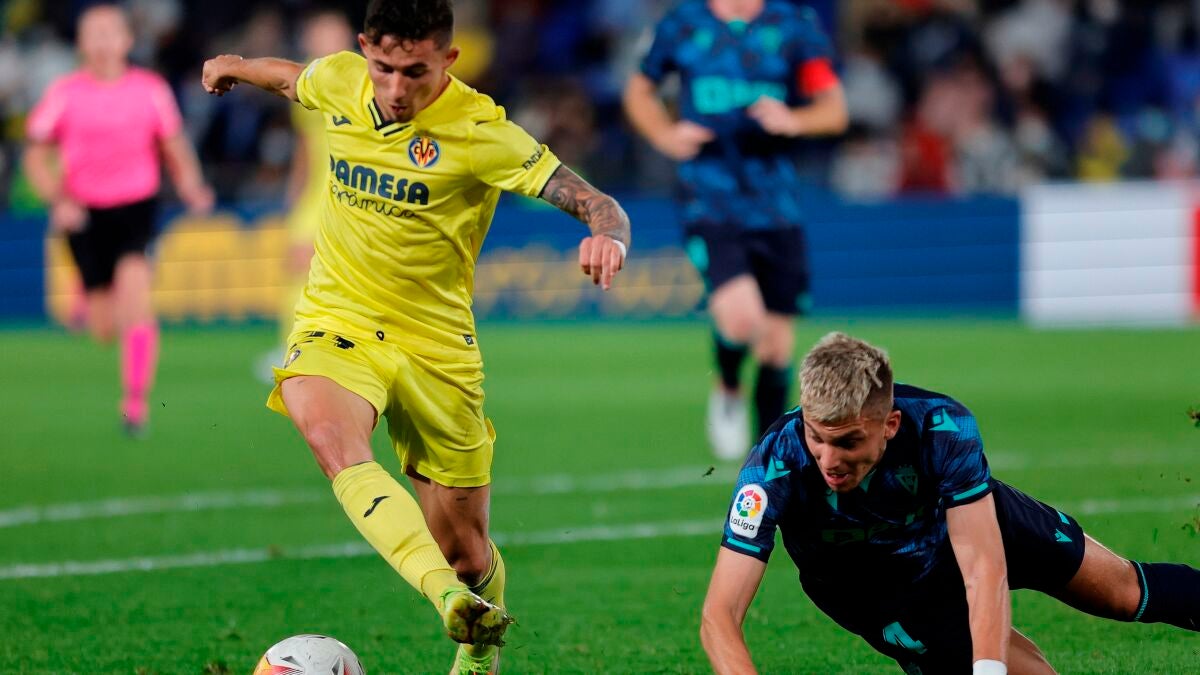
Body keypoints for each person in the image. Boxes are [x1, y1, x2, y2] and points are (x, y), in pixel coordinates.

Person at [200, 1, 631, 673]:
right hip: (339, 317)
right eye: (383, 68)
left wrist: (609, 235)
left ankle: (476, 641)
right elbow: (289, 77)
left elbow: (595, 201)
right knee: (327, 432)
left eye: (414, 73)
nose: (395, 88)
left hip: (437, 346)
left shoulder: (481, 130)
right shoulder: (341, 79)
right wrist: (235, 65)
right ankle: (445, 599)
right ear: (363, 50)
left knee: (466, 551)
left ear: (448, 60)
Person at [701, 332, 1200, 674]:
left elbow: (983, 565)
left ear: (889, 425)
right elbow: (719, 615)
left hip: (967, 523)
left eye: (848, 441)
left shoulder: (942, 427)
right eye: (816, 437)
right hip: (878, 588)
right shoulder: (772, 466)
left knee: (1122, 592)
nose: (828, 460)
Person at [624, 0, 848, 461]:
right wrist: (665, 135)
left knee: (776, 348)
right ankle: (728, 387)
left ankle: (766, 460)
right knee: (742, 319)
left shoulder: (793, 24)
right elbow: (639, 92)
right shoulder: (685, 23)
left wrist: (794, 119)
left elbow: (834, 110)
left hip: (776, 204)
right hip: (709, 198)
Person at [23, 3, 214, 436]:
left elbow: (174, 145)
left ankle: (135, 405)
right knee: (104, 328)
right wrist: (58, 199)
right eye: (94, 32)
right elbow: (35, 156)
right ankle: (87, 292)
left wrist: (192, 186)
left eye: (111, 32)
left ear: (128, 40)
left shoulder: (150, 89)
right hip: (84, 213)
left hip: (135, 208)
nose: (103, 41)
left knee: (136, 300)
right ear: (81, 42)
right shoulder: (65, 93)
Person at [257, 8, 355, 384]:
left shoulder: (359, 81)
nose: (320, 40)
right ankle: (292, 347)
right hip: (316, 192)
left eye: (328, 33)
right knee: (298, 265)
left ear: (346, 37)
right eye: (316, 34)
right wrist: (294, 192)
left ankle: (336, 349)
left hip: (349, 191)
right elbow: (305, 146)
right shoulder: (305, 83)